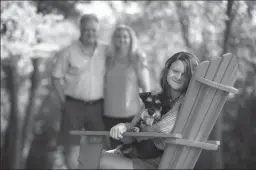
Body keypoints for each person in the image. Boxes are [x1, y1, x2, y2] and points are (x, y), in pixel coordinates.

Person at [98, 52, 199, 169]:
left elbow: (161, 129)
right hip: (139, 154)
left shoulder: (184, 102)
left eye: (185, 75)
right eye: (175, 71)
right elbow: (136, 122)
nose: (179, 77)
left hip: (156, 161)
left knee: (99, 159)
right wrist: (124, 126)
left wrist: (136, 131)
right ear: (167, 71)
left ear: (191, 78)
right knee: (97, 156)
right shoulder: (156, 97)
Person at [51, 14, 108, 169]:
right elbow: (56, 77)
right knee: (71, 148)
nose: (91, 33)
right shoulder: (68, 51)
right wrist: (64, 103)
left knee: (97, 148)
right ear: (80, 30)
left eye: (94, 30)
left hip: (99, 106)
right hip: (73, 105)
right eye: (87, 30)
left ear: (98, 31)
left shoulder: (106, 51)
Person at [103, 24, 158, 149]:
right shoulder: (108, 59)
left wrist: (147, 114)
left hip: (131, 116)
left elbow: (146, 89)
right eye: (118, 36)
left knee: (131, 152)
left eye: (125, 37)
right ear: (113, 39)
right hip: (109, 114)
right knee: (114, 152)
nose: (122, 39)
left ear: (131, 39)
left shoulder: (138, 58)